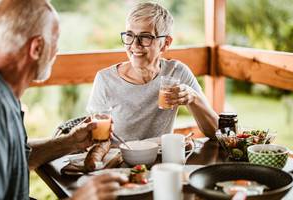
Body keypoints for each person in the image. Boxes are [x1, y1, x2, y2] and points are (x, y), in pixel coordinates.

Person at [0, 0, 126, 199]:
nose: (57, 51)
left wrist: (70, 142)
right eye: (55, 40)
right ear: (37, 47)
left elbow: (18, 160)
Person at [87, 2, 218, 141]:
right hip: (120, 160)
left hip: (162, 160)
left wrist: (193, 98)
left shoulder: (177, 72)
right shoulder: (105, 80)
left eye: (145, 37)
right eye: (129, 35)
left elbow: (215, 131)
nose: (135, 45)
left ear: (166, 43)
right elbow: (95, 138)